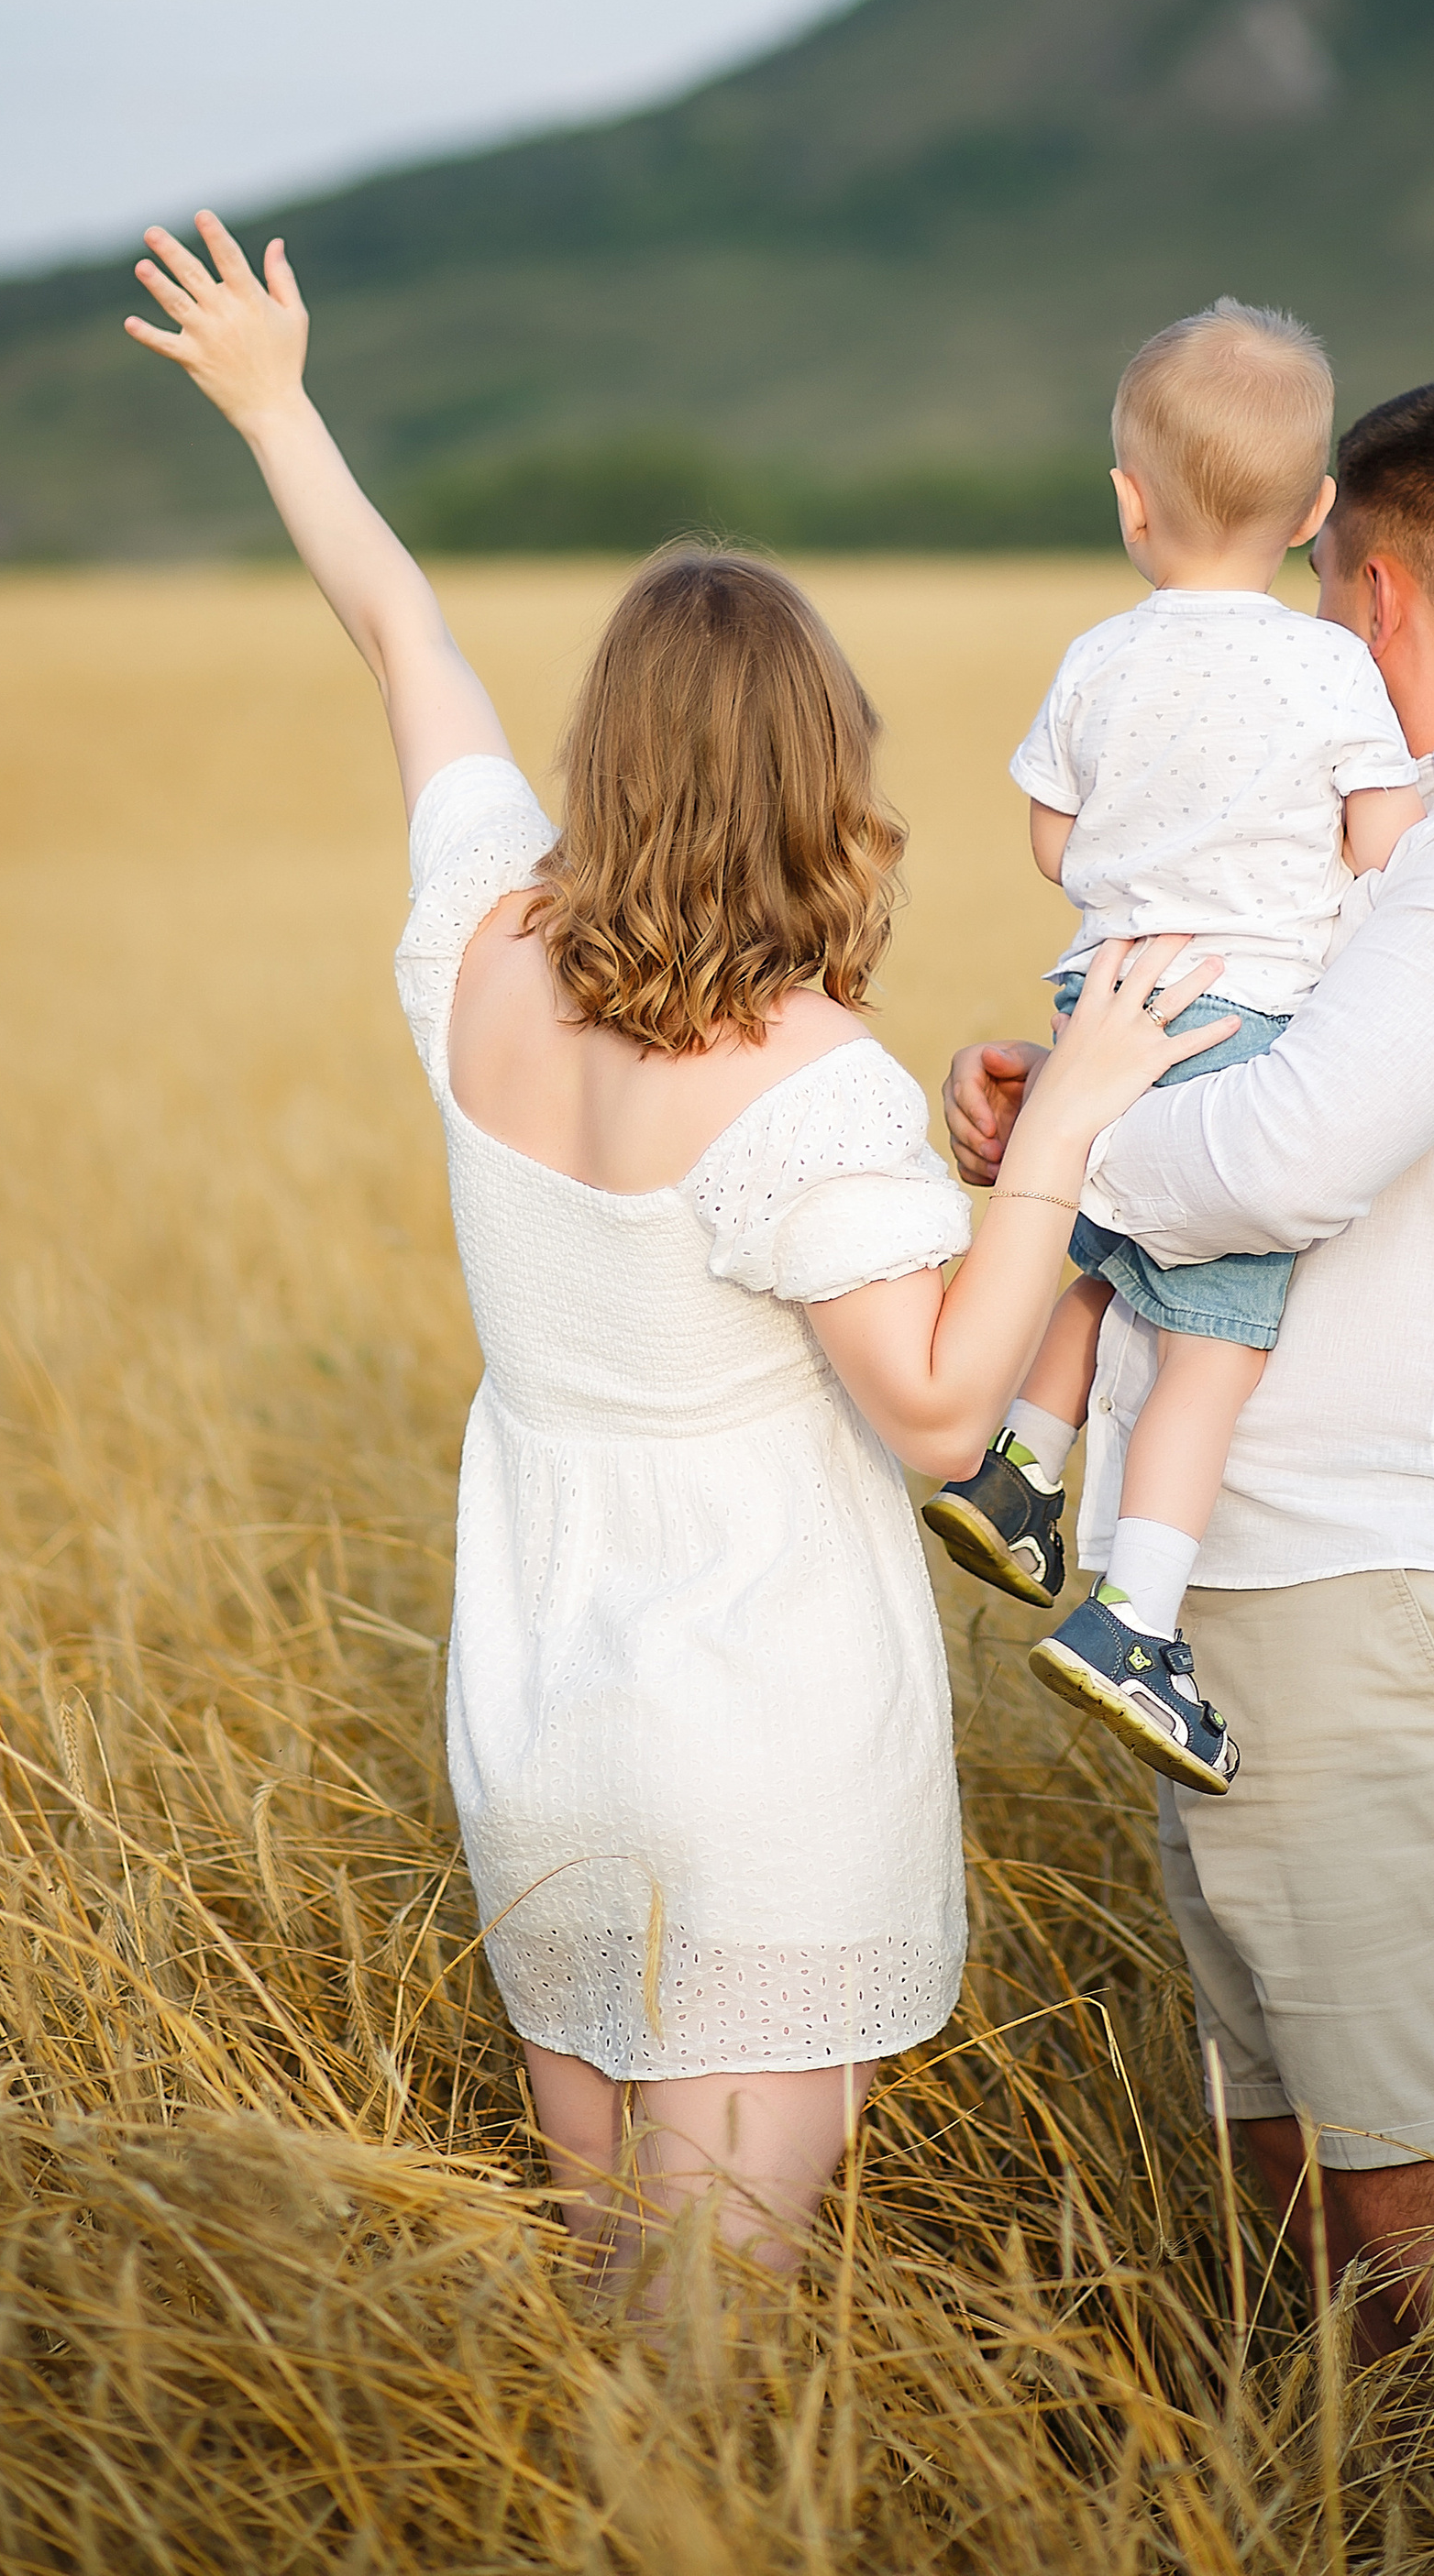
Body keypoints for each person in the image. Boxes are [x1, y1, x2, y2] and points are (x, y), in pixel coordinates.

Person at [126, 211, 1224, 2289]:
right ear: (825, 778)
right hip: (758, 1740)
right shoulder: (803, 1082)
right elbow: (931, 1412)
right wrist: (1059, 1132)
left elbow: (398, 632)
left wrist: (274, 404)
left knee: (607, 2301)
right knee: (709, 2366)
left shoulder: (479, 935)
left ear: (607, 749)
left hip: (539, 1708)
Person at [943, 380, 1434, 2354]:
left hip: (1388, 1584)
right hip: (1282, 1585)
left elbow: (1271, 1161)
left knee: (1429, 2223)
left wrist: (1056, 1157)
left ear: (1369, 602)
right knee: (1309, 2197)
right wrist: (1060, 1097)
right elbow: (1246, 1084)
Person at [922, 302, 1422, 1793]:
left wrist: (1141, 870)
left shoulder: (1097, 655)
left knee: (1100, 1246)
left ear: (1131, 504)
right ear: (1317, 513)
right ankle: (1134, 1619)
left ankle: (1022, 1469)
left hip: (1104, 999)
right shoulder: (1335, 671)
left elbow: (1051, 833)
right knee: (1211, 1343)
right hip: (1239, 1013)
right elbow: (1383, 841)